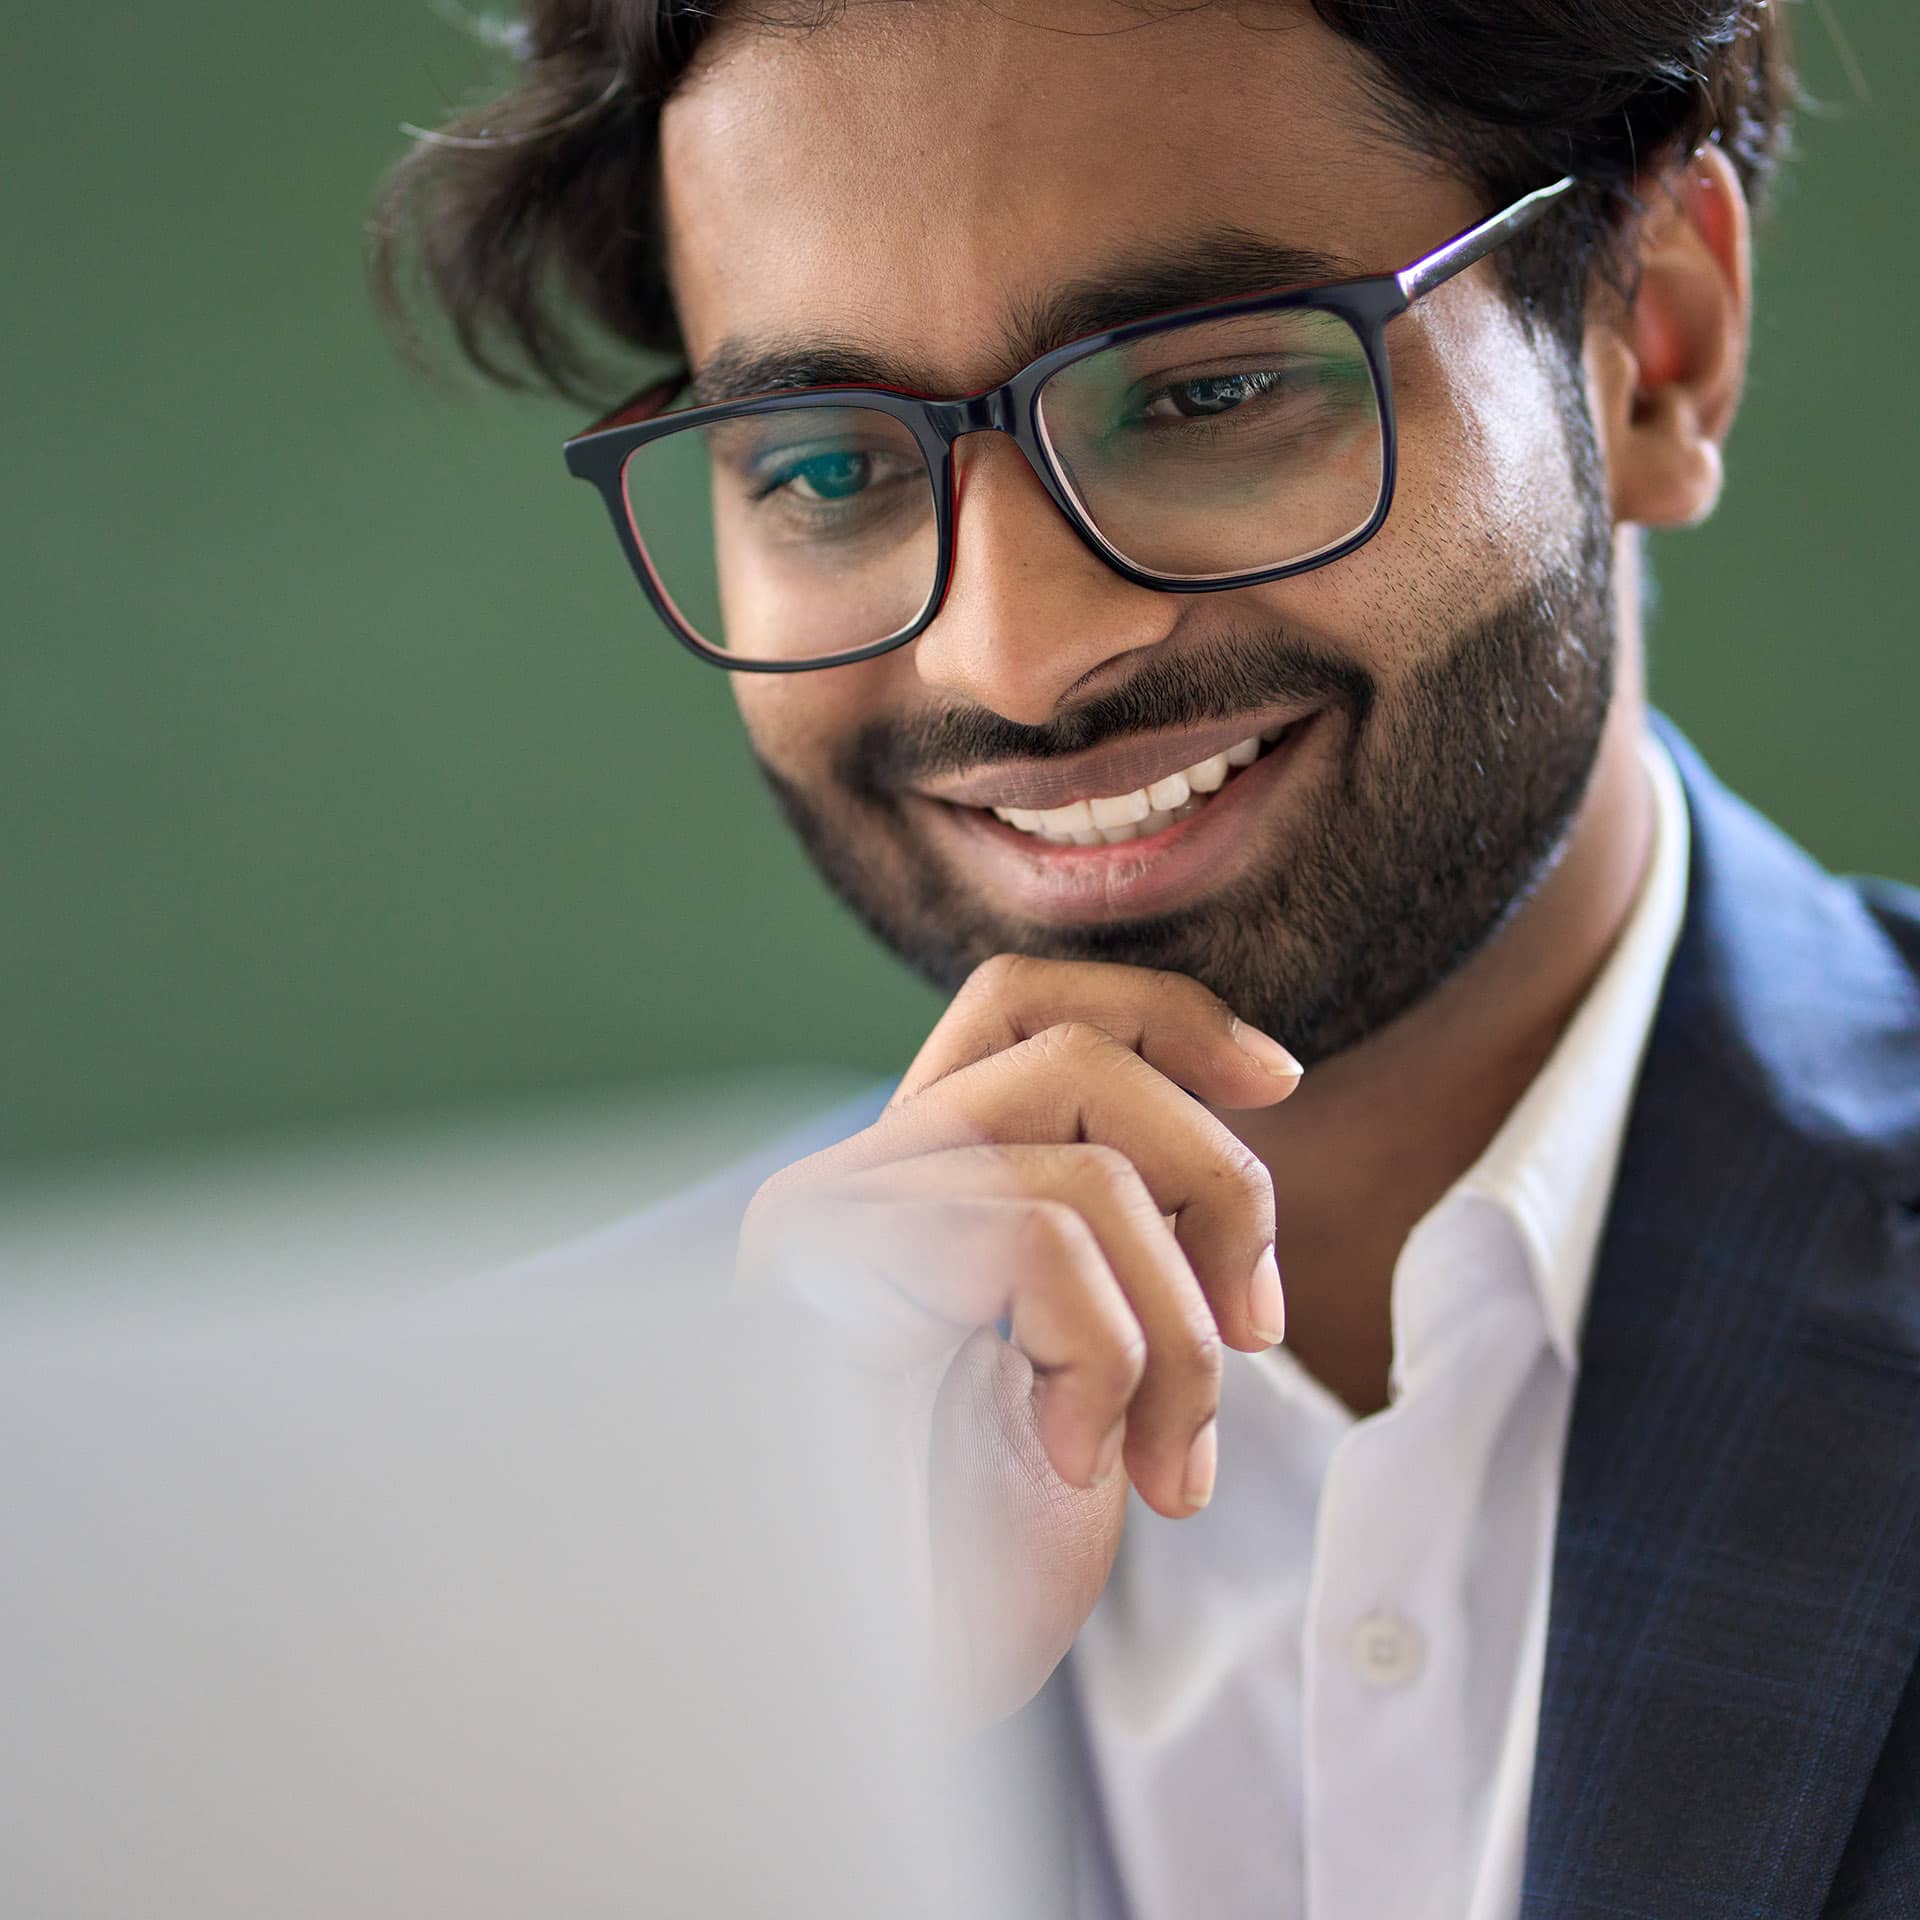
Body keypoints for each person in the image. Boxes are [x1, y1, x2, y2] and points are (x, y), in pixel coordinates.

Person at [371, 2, 1920, 1912]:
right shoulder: (481, 1532)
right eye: (830, 468)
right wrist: (774, 1769)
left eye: (1200, 393)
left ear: (1656, 348)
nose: (1011, 657)